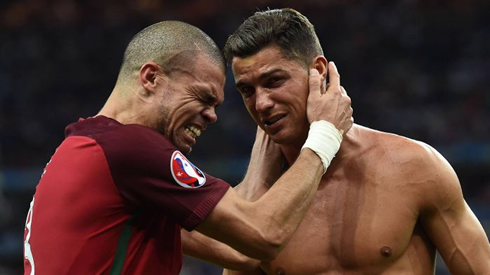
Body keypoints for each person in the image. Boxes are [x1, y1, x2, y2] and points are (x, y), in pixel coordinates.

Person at [22, 20, 354, 274]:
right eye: (203, 97)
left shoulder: (82, 147)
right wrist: (325, 134)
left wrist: (266, 133)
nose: (211, 116)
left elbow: (243, 252)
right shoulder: (132, 148)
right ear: (151, 78)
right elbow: (264, 234)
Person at [183, 8, 490, 274]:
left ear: (317, 71)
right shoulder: (256, 210)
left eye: (274, 81)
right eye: (247, 90)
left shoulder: (415, 167)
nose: (261, 103)